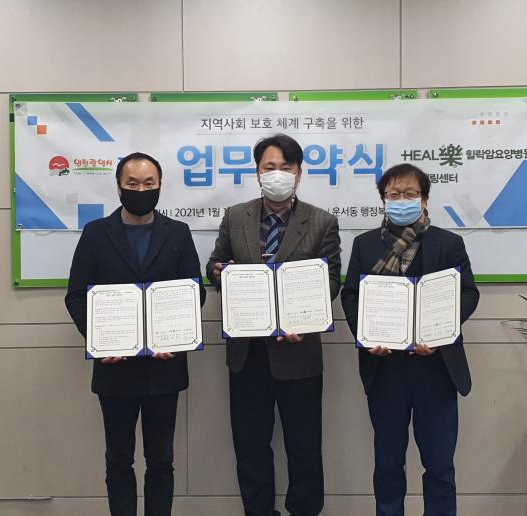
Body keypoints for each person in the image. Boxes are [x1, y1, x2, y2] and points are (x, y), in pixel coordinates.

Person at [65, 152, 206, 516]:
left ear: (159, 186)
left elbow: (195, 292)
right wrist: (99, 341)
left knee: (161, 462)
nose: (140, 190)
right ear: (118, 187)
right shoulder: (96, 234)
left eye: (148, 184)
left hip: (165, 367)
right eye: (132, 183)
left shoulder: (178, 232)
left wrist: (175, 336)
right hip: (115, 369)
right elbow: (76, 295)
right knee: (118, 462)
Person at [207, 134, 341, 516]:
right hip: (247, 355)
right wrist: (220, 273)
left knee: (304, 448)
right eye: (270, 167)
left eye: (286, 167)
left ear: (298, 173)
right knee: (250, 448)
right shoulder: (236, 217)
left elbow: (331, 280)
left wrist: (306, 317)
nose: (277, 174)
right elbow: (214, 265)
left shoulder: (322, 221)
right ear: (257, 171)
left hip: (299, 354)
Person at [340, 163, 479, 516]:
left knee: (440, 466)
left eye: (410, 194)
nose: (402, 200)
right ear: (383, 200)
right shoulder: (365, 244)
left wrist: (440, 332)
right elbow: (351, 295)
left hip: (437, 369)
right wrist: (367, 335)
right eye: (394, 194)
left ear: (425, 199)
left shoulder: (449, 243)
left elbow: (468, 293)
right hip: (386, 368)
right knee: (388, 464)